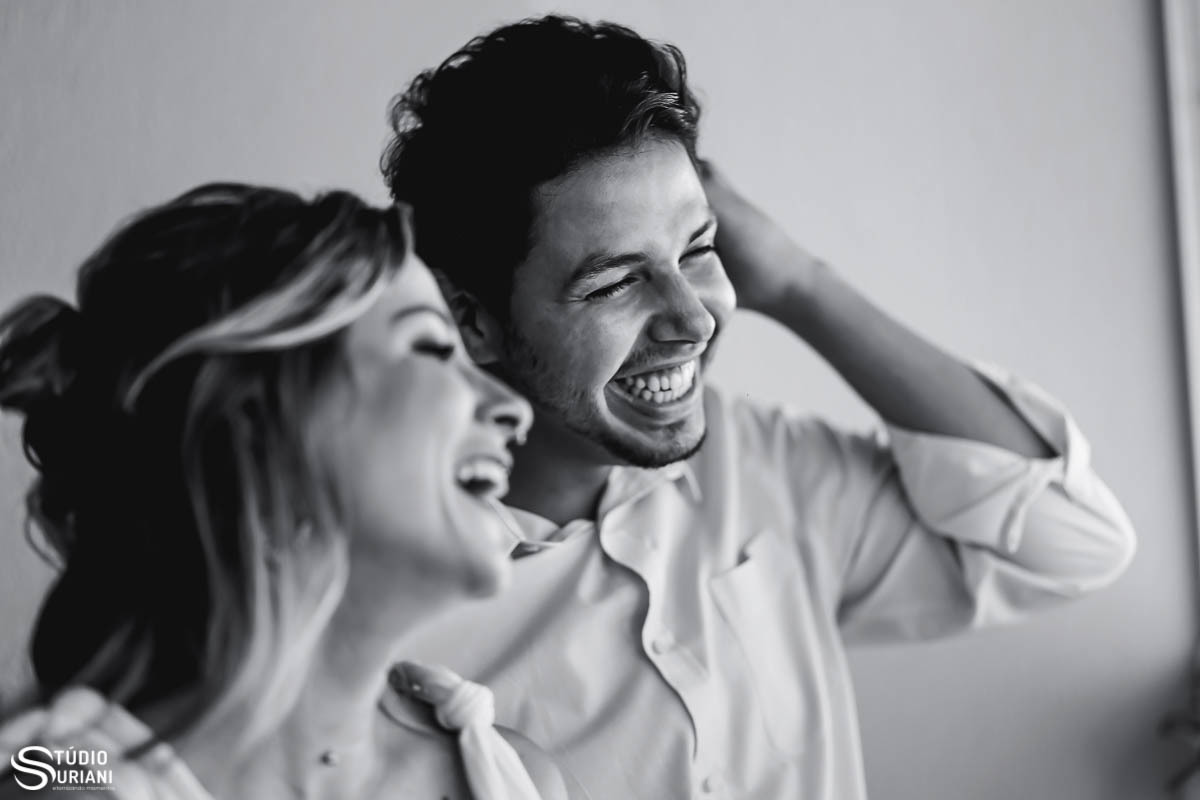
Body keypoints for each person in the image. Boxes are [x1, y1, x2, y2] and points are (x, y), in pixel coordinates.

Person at [380, 14, 1138, 800]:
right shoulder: (370, 621)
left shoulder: (762, 463)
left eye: (699, 250)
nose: (696, 319)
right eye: (615, 282)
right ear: (473, 320)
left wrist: (799, 283)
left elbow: (1071, 542)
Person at [0, 184, 566, 799]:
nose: (512, 408)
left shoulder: (515, 777)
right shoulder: (64, 781)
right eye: (430, 347)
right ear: (255, 429)